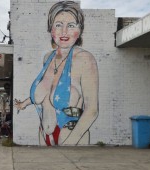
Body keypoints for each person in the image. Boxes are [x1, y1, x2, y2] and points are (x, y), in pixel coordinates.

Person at [14, 1, 98, 146]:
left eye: (71, 25)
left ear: (80, 30)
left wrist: (67, 145)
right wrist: (24, 103)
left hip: (71, 139)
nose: (64, 32)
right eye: (58, 25)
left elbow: (92, 110)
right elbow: (47, 91)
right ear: (51, 28)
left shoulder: (85, 59)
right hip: (44, 136)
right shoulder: (48, 58)